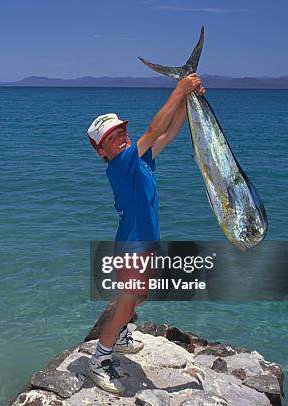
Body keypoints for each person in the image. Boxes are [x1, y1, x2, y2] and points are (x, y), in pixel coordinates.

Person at [85, 74, 206, 394]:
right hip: (132, 245)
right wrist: (179, 89)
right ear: (102, 151)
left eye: (122, 130)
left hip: (145, 242)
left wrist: (187, 98)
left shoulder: (141, 160)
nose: (121, 136)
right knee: (127, 302)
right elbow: (154, 130)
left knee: (137, 295)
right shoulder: (121, 164)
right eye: (112, 137)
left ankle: (120, 335)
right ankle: (99, 358)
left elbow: (170, 130)